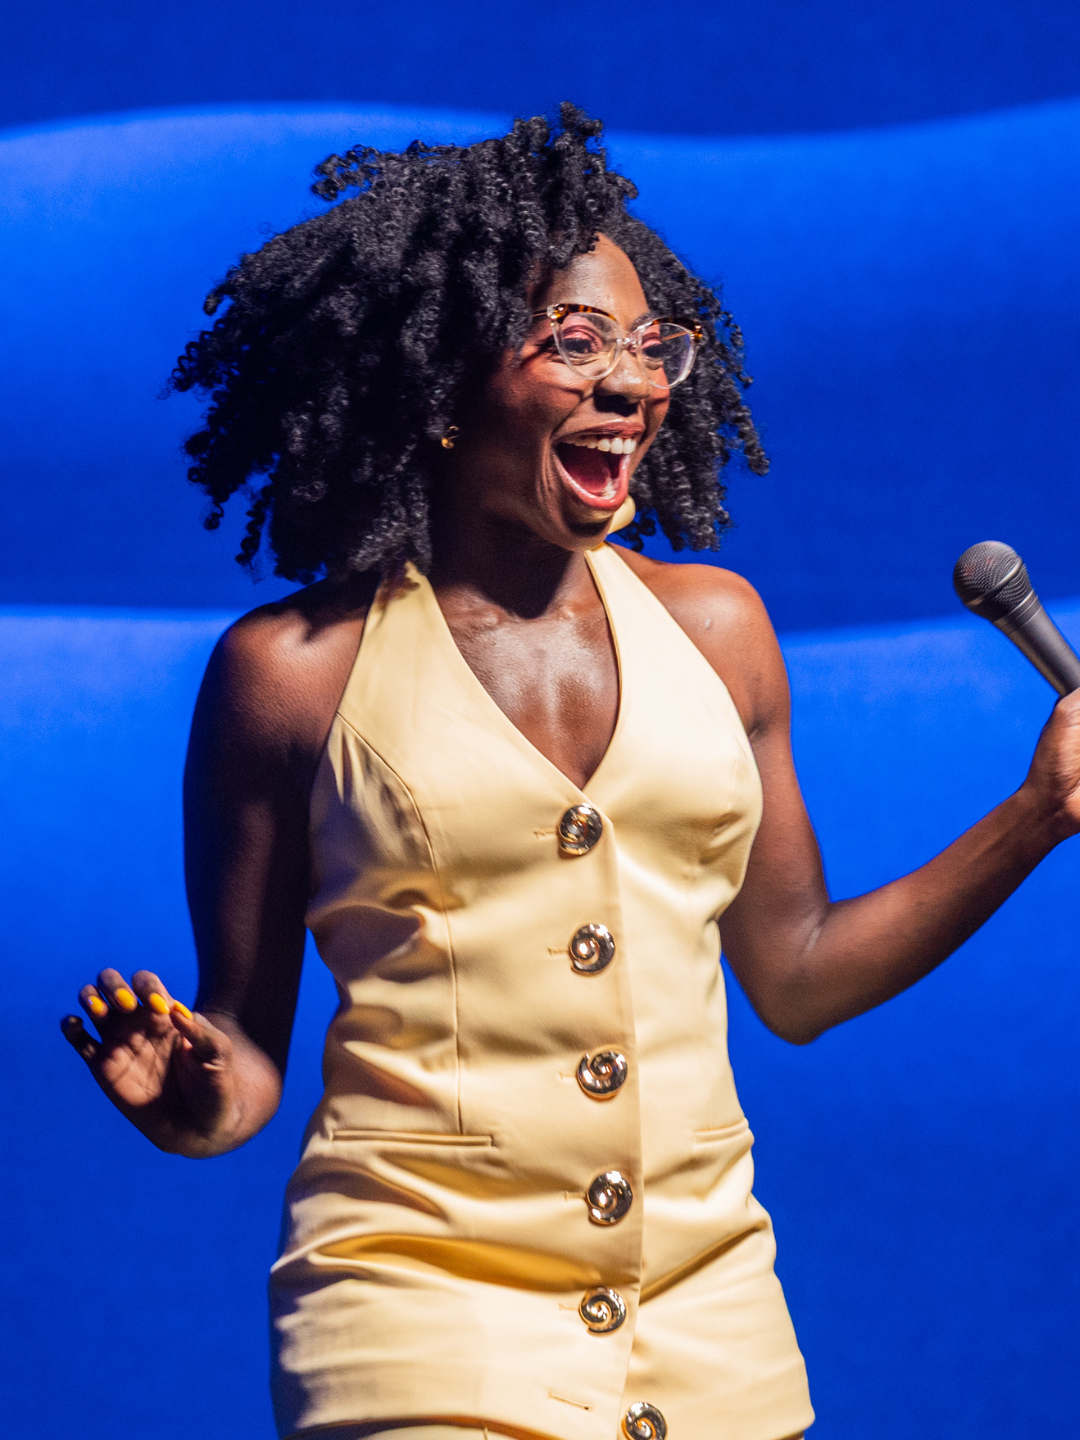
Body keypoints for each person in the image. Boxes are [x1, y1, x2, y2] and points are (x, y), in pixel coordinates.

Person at [60, 106, 1080, 1440]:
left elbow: (800, 975)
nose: (635, 384)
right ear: (440, 386)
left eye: (652, 347)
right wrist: (197, 1100)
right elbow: (243, 1045)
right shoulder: (291, 675)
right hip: (417, 1312)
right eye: (577, 342)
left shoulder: (720, 631)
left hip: (712, 1319)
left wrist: (1037, 815)